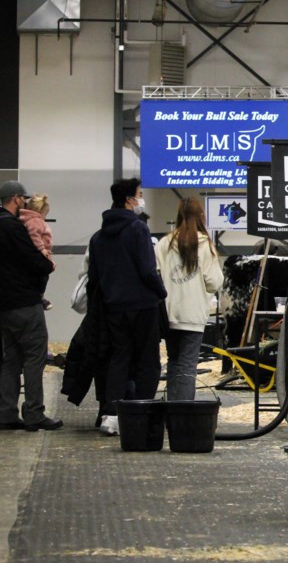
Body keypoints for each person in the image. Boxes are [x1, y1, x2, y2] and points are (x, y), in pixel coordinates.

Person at [87, 177, 167, 435]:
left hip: (113, 306)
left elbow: (94, 277)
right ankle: (141, 413)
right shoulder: (138, 229)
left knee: (118, 358)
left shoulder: (98, 237)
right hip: (143, 304)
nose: (141, 198)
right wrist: (161, 291)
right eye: (139, 194)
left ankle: (112, 414)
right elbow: (147, 269)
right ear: (129, 199)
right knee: (148, 362)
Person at [0, 180, 61, 431]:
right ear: (15, 199)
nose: (24, 203)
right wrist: (48, 264)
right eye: (22, 200)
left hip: (3, 306)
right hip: (25, 302)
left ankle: (6, 413)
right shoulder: (13, 227)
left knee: (10, 361)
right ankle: (34, 413)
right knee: (34, 359)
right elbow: (34, 260)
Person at [155, 197, 224, 401]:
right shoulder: (205, 245)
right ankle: (182, 415)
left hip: (168, 314)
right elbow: (213, 281)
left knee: (174, 362)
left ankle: (171, 410)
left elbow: (155, 275)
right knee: (187, 366)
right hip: (193, 315)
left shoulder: (164, 244)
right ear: (201, 216)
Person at [19, 192, 55, 311]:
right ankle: (40, 297)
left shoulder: (27, 219)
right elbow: (34, 236)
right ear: (39, 212)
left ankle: (40, 296)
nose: (45, 217)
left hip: (41, 252)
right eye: (45, 214)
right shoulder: (35, 221)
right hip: (40, 252)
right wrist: (42, 249)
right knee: (43, 277)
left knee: (43, 276)